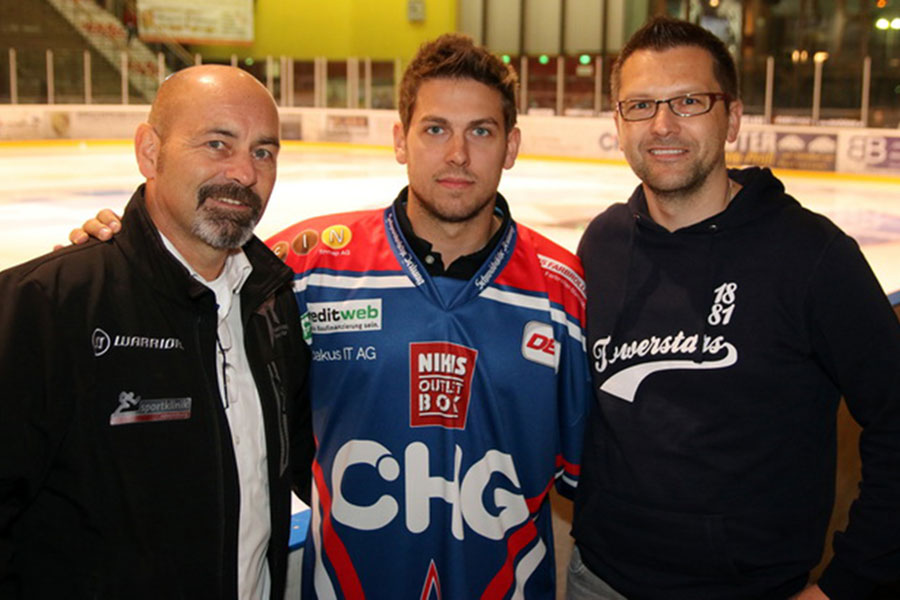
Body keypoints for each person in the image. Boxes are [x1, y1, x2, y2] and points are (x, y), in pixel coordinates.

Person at [72, 34, 592, 599]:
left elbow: (581, 476)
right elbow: (187, 278)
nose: (458, 156)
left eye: (482, 132)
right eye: (436, 129)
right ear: (401, 140)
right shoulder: (307, 265)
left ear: (511, 146)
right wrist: (116, 252)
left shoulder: (560, 287)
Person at [570, 16, 900, 600]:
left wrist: (849, 582)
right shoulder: (602, 243)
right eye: (640, 105)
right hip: (600, 580)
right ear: (618, 124)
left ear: (733, 118)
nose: (663, 125)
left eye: (689, 101)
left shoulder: (811, 254)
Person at [0, 65, 314, 599]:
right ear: (150, 152)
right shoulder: (45, 307)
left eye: (264, 152)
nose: (244, 172)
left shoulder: (274, 305)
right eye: (218, 144)